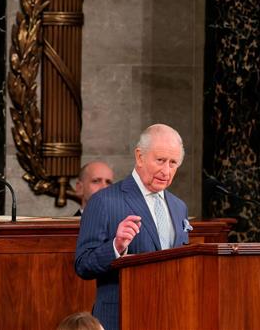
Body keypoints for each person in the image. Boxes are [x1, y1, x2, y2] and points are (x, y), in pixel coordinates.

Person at [75, 124, 190, 330]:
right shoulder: (104, 201)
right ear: (140, 156)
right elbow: (83, 264)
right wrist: (116, 247)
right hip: (122, 317)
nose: (166, 171)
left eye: (173, 163)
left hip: (171, 316)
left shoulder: (178, 207)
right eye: (160, 160)